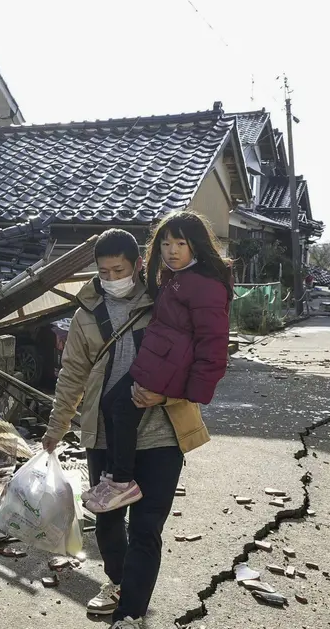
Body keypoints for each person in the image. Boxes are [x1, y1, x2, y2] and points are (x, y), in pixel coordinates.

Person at [40, 220, 218, 629]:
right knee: (106, 525)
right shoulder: (85, 316)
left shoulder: (166, 301)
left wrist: (170, 391)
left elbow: (200, 350)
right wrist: (55, 428)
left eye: (120, 270)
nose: (112, 279)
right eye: (104, 272)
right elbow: (72, 376)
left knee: (146, 528)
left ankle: (130, 620)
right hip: (104, 435)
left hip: (161, 434)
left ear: (139, 264)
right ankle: (120, 584)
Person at [83, 212, 232, 513]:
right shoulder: (175, 278)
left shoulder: (204, 285)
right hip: (157, 361)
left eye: (180, 243)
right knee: (112, 403)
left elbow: (213, 345)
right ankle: (114, 478)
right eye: (165, 244)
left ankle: (122, 482)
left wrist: (192, 392)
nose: (172, 251)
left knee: (122, 409)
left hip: (168, 368)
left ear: (196, 246)